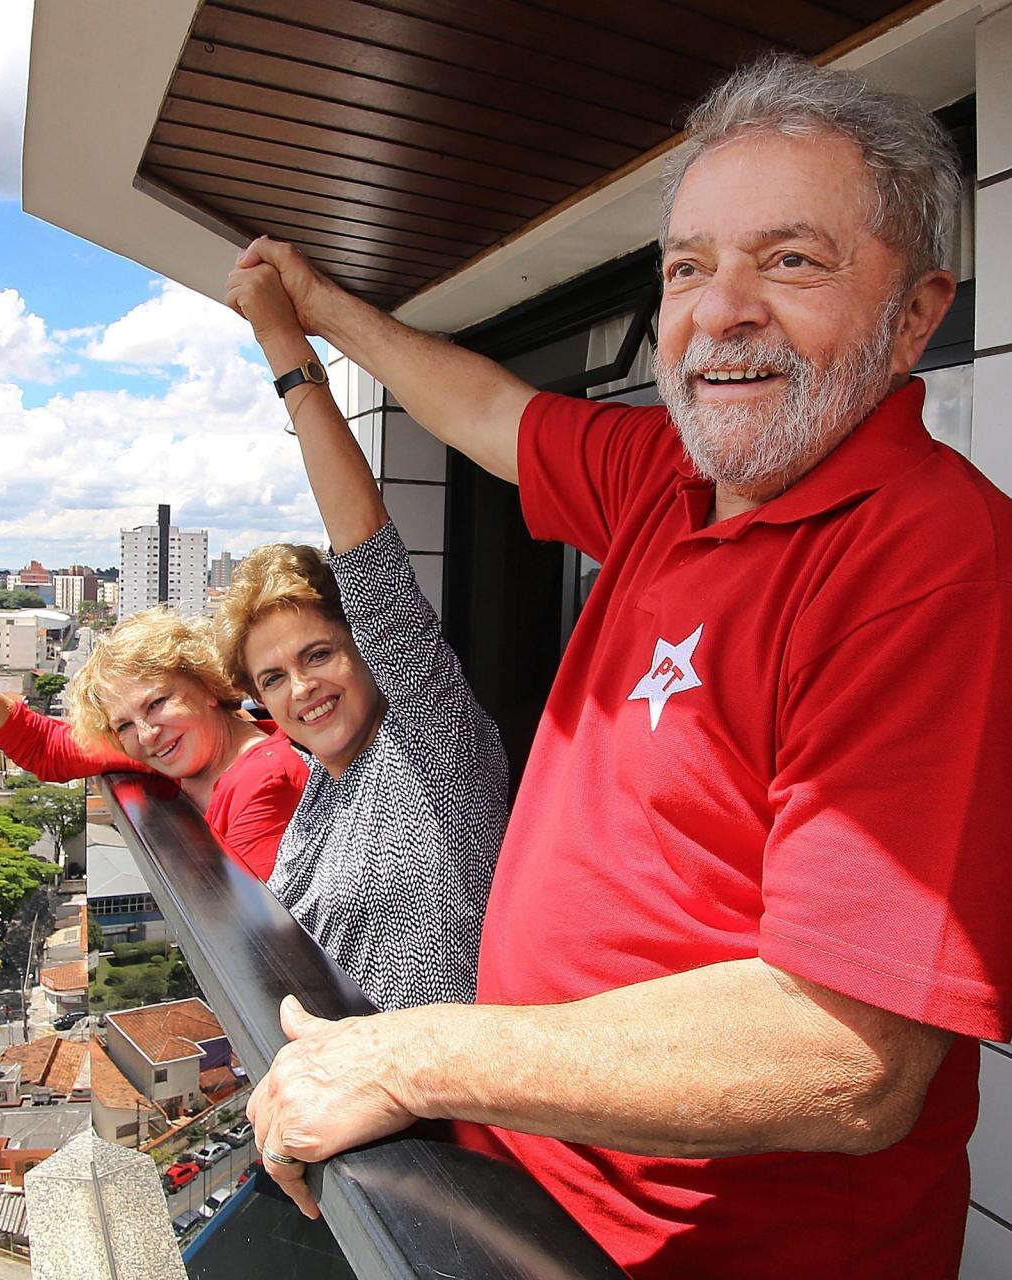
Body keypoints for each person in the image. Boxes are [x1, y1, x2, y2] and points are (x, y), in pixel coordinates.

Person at [233, 55, 1012, 1280]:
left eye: (789, 259)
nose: (721, 309)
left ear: (915, 314)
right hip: (517, 1190)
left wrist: (411, 1052)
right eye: (687, 267)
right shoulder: (672, 476)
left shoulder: (929, 558)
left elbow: (845, 1056)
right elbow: (484, 409)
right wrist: (318, 314)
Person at [216, 291, 508, 1013]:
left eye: (319, 654)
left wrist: (287, 354)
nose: (302, 688)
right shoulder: (321, 788)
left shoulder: (433, 748)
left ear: (367, 646)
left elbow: (368, 554)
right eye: (274, 677)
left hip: (449, 1113)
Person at [0, 565, 307, 880]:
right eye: (123, 725)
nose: (147, 733)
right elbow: (45, 748)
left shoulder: (263, 781)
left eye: (157, 703)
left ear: (206, 684)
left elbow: (264, 945)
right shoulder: (182, 748)